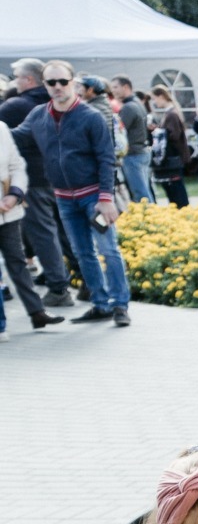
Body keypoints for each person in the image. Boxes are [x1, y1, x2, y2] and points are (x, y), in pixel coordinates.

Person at [23, 60, 133, 327]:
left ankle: (120, 305)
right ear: (45, 85)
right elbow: (13, 136)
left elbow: (107, 159)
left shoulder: (90, 116)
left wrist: (106, 199)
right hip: (64, 197)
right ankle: (100, 303)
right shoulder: (39, 115)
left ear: (73, 82)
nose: (58, 87)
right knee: (83, 253)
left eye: (63, 81)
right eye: (52, 82)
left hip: (94, 196)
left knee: (109, 250)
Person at [1, 59, 73, 306]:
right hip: (62, 176)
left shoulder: (16, 106)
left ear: (29, 79)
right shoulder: (59, 102)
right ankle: (84, 282)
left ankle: (59, 288)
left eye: (17, 76)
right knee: (64, 231)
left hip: (34, 178)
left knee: (43, 233)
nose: (13, 81)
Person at [0, 123, 60, 330]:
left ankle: (37, 312)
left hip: (8, 211)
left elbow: (17, 165)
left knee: (17, 261)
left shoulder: (1, 129)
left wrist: (14, 194)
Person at [110, 77, 153, 204]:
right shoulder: (137, 102)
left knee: (141, 193)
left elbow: (119, 132)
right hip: (141, 151)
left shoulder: (129, 107)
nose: (113, 91)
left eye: (115, 87)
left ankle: (149, 219)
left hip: (133, 154)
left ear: (125, 87)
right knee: (144, 190)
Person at [148, 87, 192, 208]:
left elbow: (174, 135)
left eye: (154, 99)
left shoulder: (171, 114)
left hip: (174, 159)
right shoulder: (171, 112)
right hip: (176, 159)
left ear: (161, 96)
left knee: (177, 192)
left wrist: (159, 131)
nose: (154, 102)